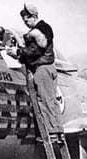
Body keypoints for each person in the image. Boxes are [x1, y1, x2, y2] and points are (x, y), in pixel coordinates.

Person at [7, 3, 64, 138]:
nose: (25, 23)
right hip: (49, 68)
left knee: (44, 101)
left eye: (26, 19)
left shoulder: (38, 32)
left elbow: (34, 50)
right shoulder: (46, 28)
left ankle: (51, 132)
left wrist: (18, 52)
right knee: (51, 101)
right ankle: (57, 130)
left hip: (42, 69)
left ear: (33, 17)